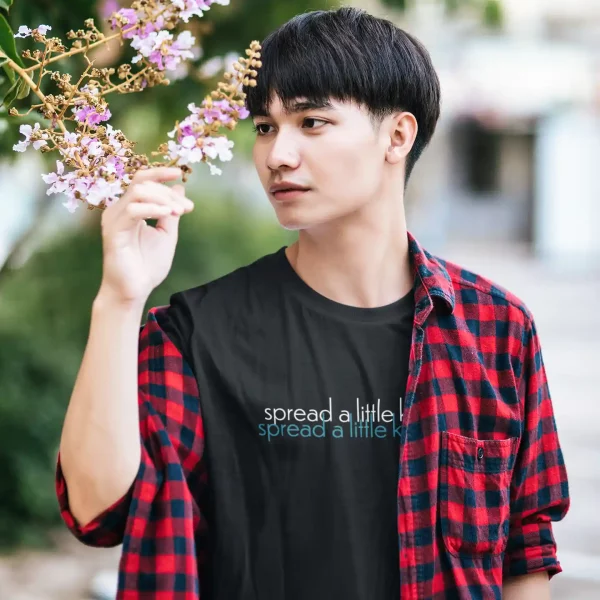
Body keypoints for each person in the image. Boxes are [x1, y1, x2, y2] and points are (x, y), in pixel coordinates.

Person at [55, 6, 569, 600]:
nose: (277, 155)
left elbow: (525, 551)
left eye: (312, 121)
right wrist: (119, 298)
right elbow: (97, 511)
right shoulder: (198, 336)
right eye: (266, 126)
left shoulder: (495, 329)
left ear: (396, 136)